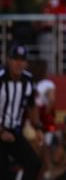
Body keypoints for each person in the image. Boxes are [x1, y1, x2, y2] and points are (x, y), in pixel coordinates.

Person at [0, 44, 43, 180]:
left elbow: (31, 104)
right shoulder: (0, 78)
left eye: (22, 60)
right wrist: (1, 131)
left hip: (14, 132)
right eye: (15, 59)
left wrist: (37, 127)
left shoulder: (28, 79)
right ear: (8, 61)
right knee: (3, 172)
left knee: (34, 163)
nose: (19, 64)